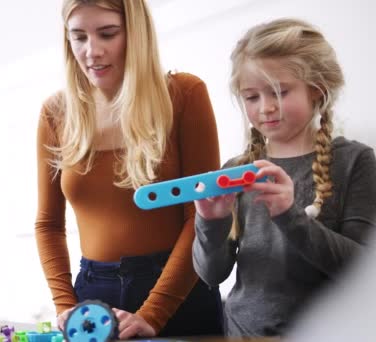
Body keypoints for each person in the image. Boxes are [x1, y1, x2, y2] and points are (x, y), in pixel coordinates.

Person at [35, 0, 223, 339]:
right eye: (78, 37)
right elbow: (48, 224)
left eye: (107, 34)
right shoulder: (55, 112)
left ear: (136, 34)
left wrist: (154, 312)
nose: (91, 51)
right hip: (93, 295)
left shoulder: (184, 94)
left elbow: (200, 216)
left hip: (178, 291)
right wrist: (65, 306)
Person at [192, 18, 376, 338]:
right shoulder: (236, 169)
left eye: (280, 91)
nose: (266, 108)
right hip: (243, 333)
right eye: (251, 97)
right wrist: (211, 221)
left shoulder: (355, 161)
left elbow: (359, 271)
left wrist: (289, 216)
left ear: (317, 90)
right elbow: (211, 274)